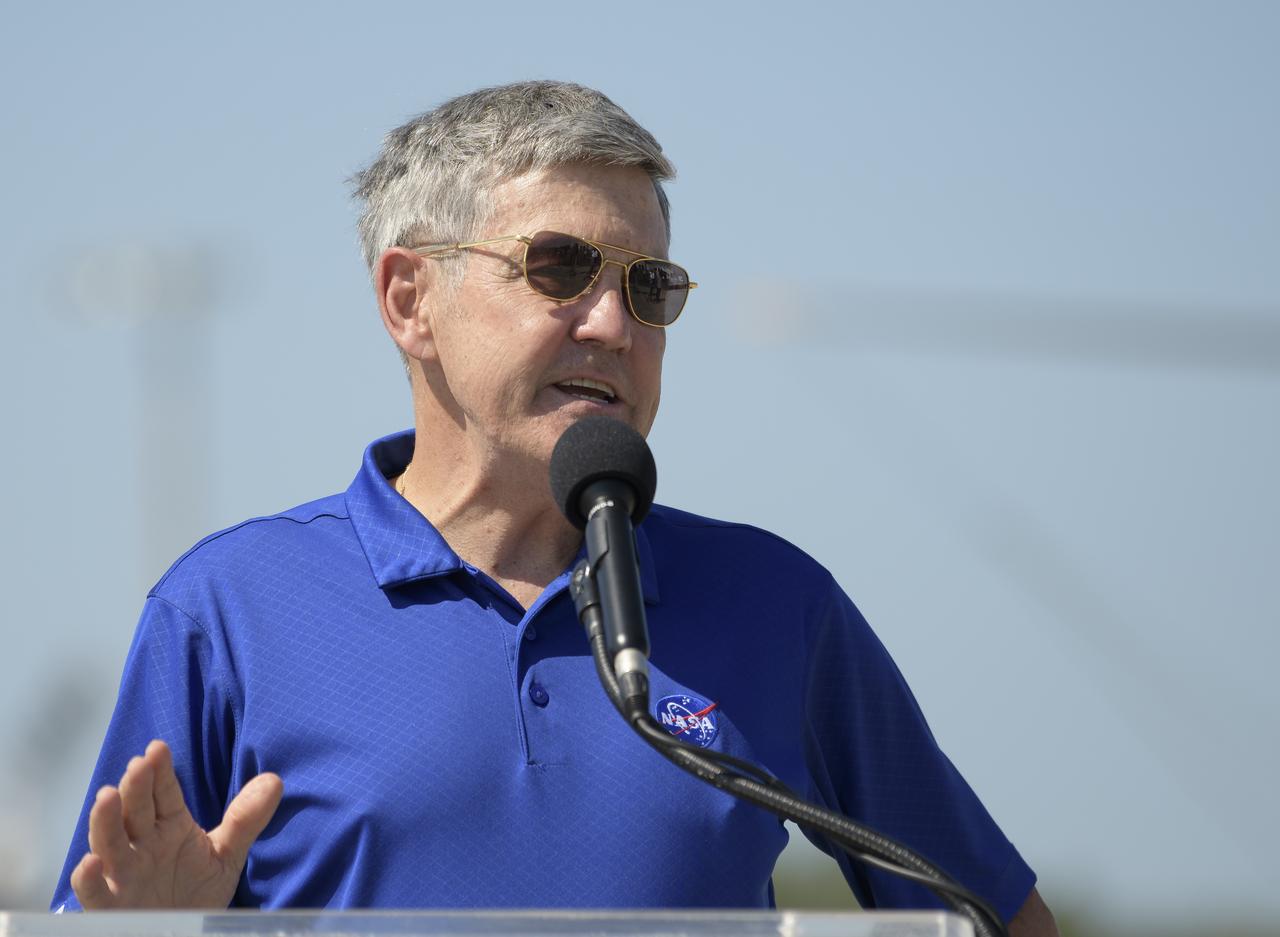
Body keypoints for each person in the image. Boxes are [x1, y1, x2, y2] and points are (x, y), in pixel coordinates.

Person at [51, 80, 1058, 935]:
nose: (615, 323)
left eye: (648, 285)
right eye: (559, 269)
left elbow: (989, 914)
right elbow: (114, 905)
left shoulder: (777, 604)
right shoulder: (229, 610)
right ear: (410, 301)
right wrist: (146, 930)